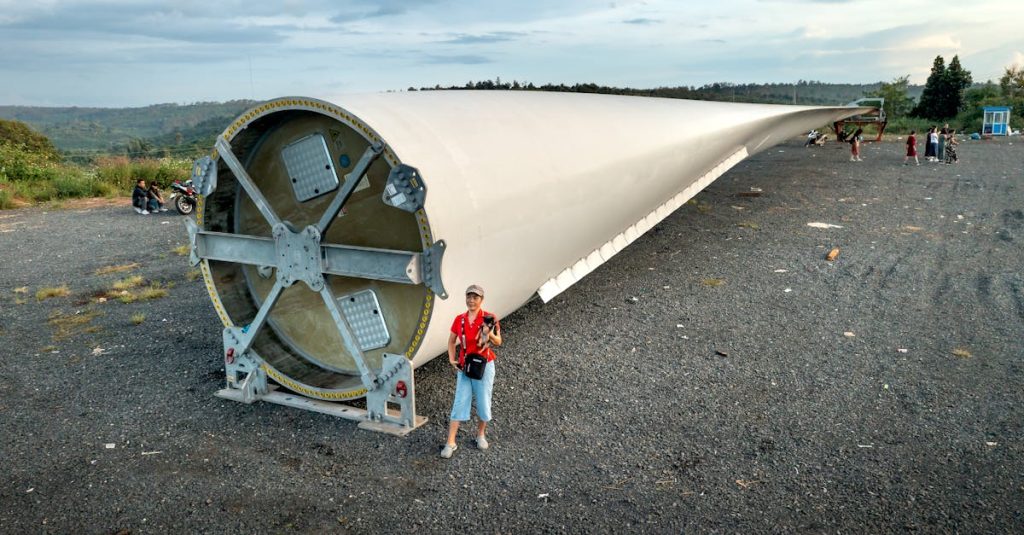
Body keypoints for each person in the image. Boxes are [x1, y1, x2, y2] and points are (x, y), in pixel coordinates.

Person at [441, 284, 502, 459]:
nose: (471, 300)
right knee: (459, 401)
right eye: (469, 297)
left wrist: (488, 333)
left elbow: (498, 341)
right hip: (465, 366)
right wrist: (451, 358)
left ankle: (480, 435)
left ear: (481, 300)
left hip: (484, 365)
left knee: (483, 401)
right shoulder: (459, 319)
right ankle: (450, 442)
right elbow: (451, 341)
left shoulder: (490, 318)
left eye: (475, 297)